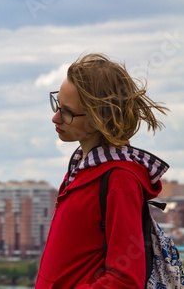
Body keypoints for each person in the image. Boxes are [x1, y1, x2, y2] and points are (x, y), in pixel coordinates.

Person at [35, 53, 169, 288]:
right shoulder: (79, 169)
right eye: (57, 104)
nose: (55, 117)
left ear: (99, 117)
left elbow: (125, 280)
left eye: (67, 112)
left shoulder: (120, 181)